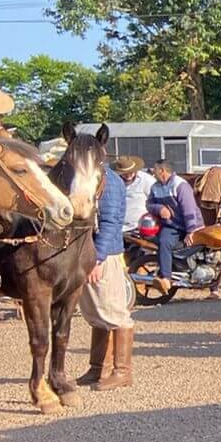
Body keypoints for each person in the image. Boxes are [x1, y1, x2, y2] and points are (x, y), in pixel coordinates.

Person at [79, 150, 135, 390]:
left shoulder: (109, 181)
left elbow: (111, 222)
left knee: (114, 312)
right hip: (91, 253)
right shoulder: (92, 177)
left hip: (105, 255)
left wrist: (97, 258)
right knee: (96, 313)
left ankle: (122, 372)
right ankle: (97, 369)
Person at [147, 160, 202, 294]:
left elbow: (188, 210)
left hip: (192, 225)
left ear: (162, 171)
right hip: (172, 226)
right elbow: (149, 204)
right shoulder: (155, 187)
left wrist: (191, 230)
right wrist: (159, 208)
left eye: (155, 170)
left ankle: (213, 285)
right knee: (164, 242)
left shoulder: (180, 185)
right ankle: (165, 278)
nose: (152, 173)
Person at [113, 155, 155, 233]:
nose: (128, 176)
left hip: (140, 227)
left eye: (130, 172)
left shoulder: (146, 180)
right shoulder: (115, 181)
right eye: (125, 173)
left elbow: (156, 200)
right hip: (118, 227)